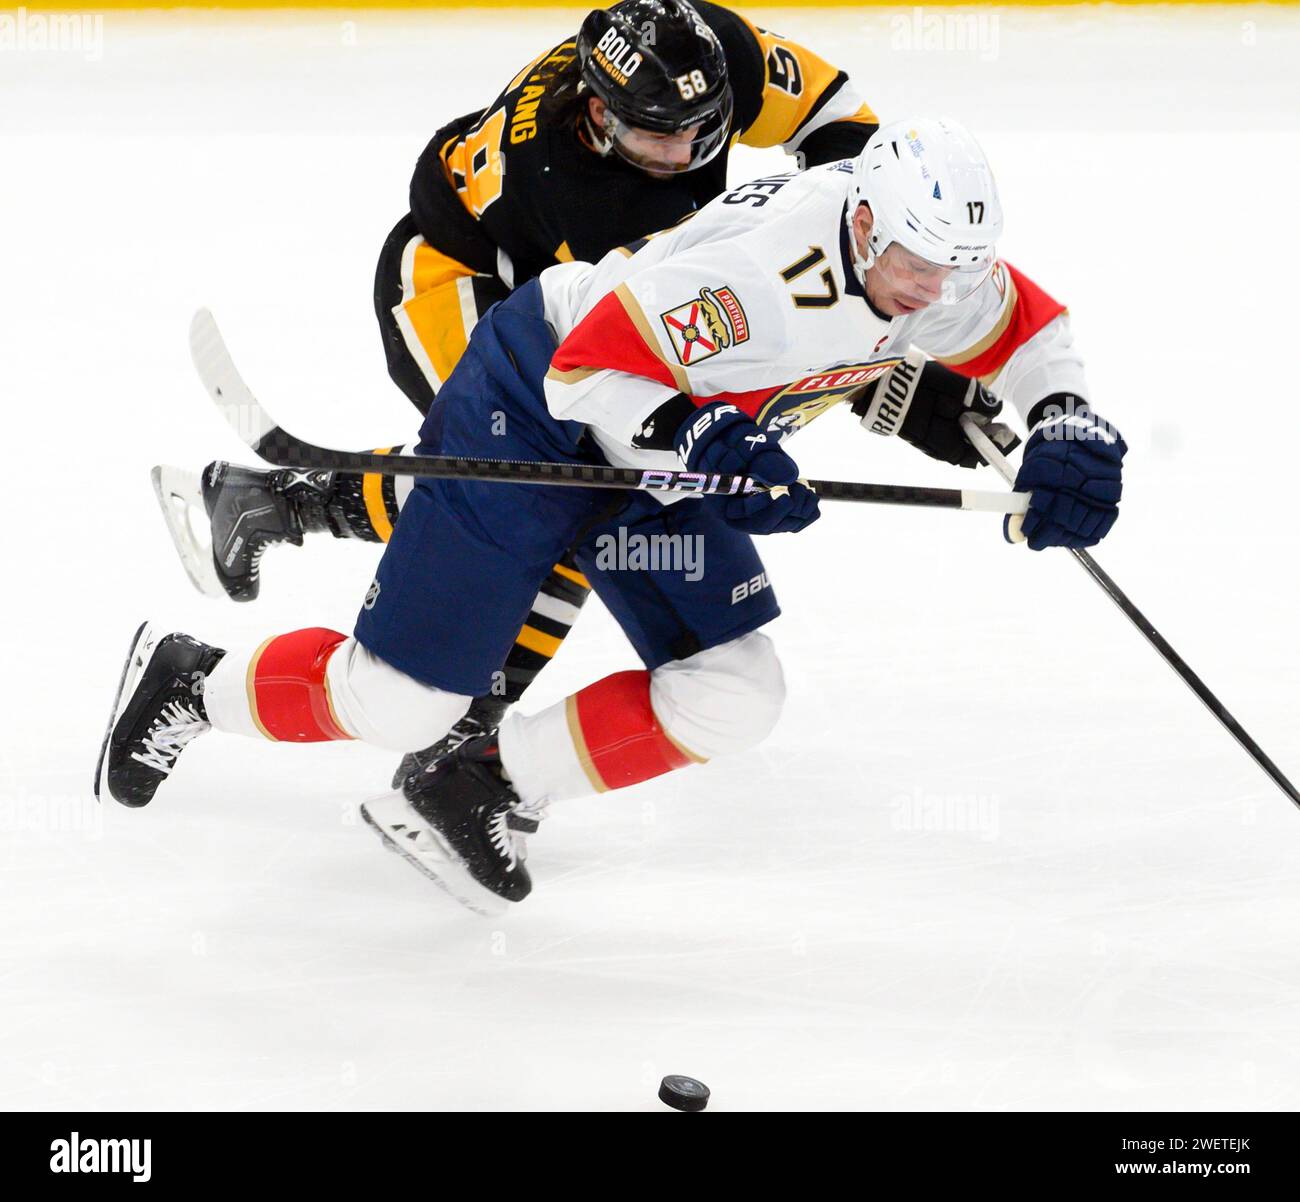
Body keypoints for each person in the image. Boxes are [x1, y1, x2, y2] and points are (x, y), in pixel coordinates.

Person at [104, 117, 1126, 914]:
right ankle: (194, 680)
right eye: (917, 267)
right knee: (395, 701)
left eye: (955, 271)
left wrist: (1065, 414)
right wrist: (702, 438)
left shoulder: (933, 265)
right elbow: (586, 368)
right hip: (540, 409)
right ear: (863, 222)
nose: (935, 294)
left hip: (654, 449)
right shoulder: (764, 276)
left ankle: (480, 779)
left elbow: (1028, 328)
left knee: (733, 692)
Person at [155, 0, 885, 786]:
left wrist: (863, 258)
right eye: (658, 136)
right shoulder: (584, 194)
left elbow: (840, 119)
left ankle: (280, 507)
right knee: (553, 487)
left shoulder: (713, 54)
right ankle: (300, 519)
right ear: (600, 115)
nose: (686, 152)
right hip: (457, 281)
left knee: (562, 496)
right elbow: (641, 361)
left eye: (704, 130)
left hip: (561, 284)